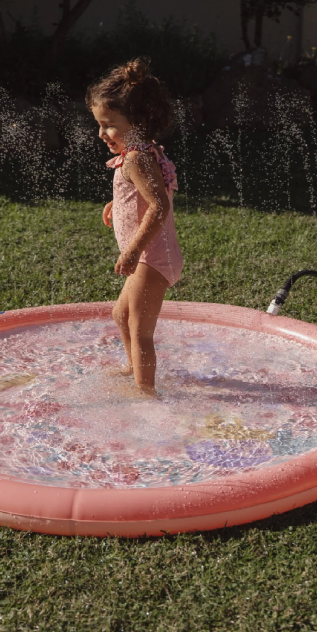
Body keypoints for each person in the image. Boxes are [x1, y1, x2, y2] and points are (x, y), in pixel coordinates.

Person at [87, 59, 183, 396]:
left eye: (109, 125)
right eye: (99, 125)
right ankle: (133, 369)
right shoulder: (143, 152)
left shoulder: (136, 158)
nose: (102, 134)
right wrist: (118, 203)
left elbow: (159, 206)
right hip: (150, 256)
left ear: (137, 122)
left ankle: (145, 394)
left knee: (140, 330)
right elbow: (149, 195)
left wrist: (131, 250)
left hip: (150, 258)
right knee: (121, 315)